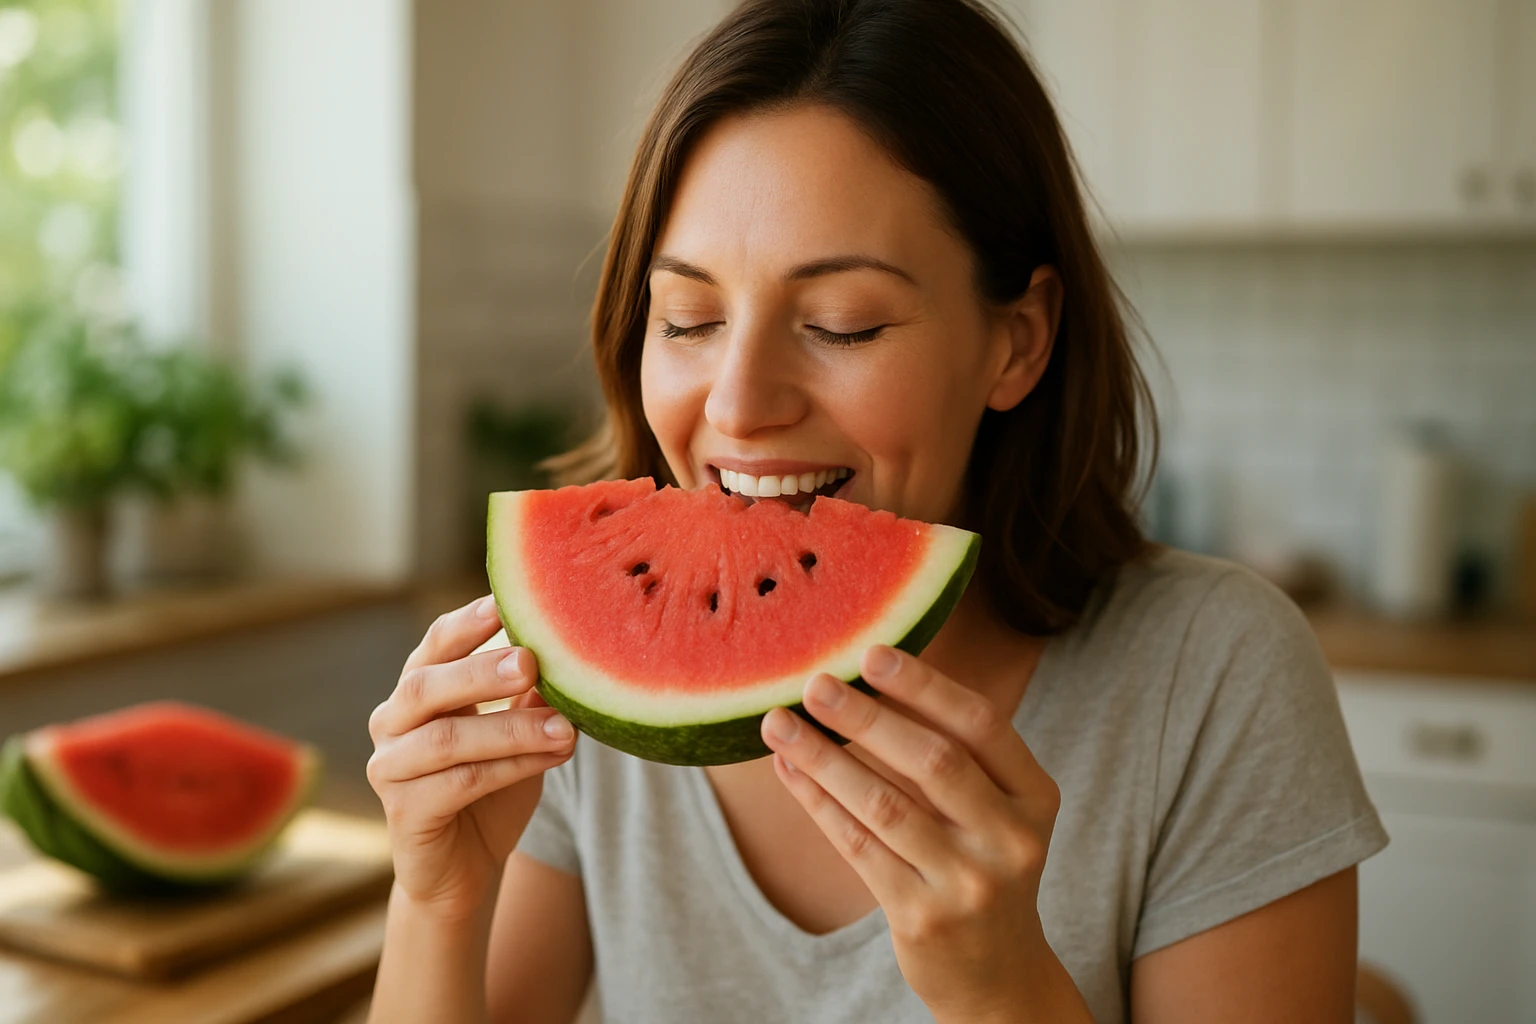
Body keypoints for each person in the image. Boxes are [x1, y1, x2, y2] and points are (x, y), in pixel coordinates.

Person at [365, 1, 1387, 1021]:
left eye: (839, 324)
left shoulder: (1211, 673)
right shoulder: (579, 698)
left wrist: (1006, 991)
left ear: (1017, 341)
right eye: (689, 319)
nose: (736, 404)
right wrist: (438, 900)